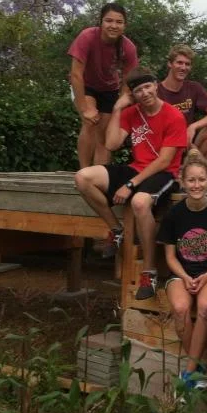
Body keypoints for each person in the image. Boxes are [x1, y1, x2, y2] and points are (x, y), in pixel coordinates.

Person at [73, 67, 186, 280]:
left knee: (140, 203)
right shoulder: (131, 113)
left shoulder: (174, 115)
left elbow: (164, 160)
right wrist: (116, 109)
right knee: (82, 177)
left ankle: (149, 271)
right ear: (132, 95)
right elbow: (112, 143)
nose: (144, 93)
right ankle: (116, 229)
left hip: (164, 173)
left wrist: (131, 184)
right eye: (138, 90)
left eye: (147, 87)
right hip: (136, 167)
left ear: (156, 86)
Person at [155, 149, 207, 390]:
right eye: (191, 180)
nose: (196, 185)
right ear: (182, 182)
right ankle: (199, 366)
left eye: (201, 180)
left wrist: (206, 275)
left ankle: (190, 371)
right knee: (180, 308)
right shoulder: (174, 215)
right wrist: (186, 277)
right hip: (182, 272)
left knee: (206, 305)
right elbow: (170, 256)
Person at [67, 2, 139, 168]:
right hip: (86, 84)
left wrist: (121, 104)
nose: (113, 25)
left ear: (125, 25)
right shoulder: (87, 37)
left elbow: (129, 80)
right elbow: (76, 74)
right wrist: (85, 108)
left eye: (119, 22)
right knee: (90, 122)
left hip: (109, 89)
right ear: (101, 22)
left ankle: (99, 176)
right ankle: (84, 172)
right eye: (109, 21)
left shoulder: (128, 47)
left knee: (105, 135)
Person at [157, 44, 207, 161]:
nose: (183, 67)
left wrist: (193, 127)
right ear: (170, 64)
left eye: (187, 64)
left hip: (187, 140)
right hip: (165, 143)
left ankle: (196, 170)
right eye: (179, 63)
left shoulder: (194, 88)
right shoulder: (156, 91)